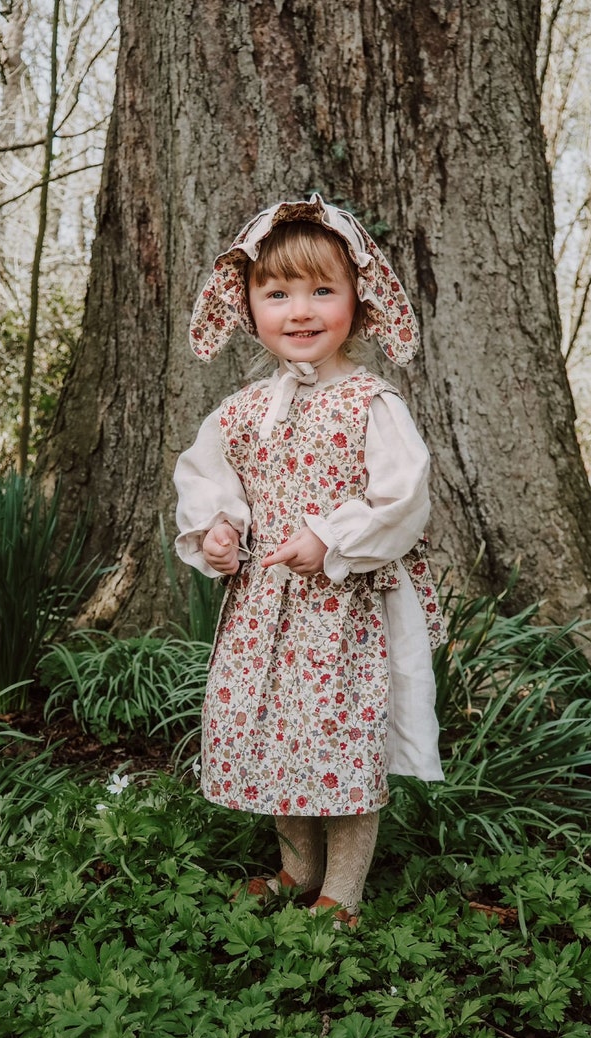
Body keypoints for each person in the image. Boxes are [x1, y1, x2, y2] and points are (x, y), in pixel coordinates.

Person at [174, 193, 444, 927]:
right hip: (264, 613)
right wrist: (220, 529)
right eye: (277, 292)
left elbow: (403, 493)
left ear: (359, 299)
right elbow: (207, 476)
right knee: (269, 731)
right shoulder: (241, 409)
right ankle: (296, 867)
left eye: (322, 290)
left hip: (341, 612)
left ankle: (342, 892)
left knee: (337, 737)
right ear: (247, 304)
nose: (300, 310)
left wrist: (332, 536)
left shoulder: (369, 401)